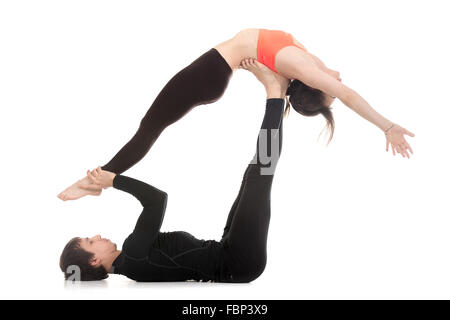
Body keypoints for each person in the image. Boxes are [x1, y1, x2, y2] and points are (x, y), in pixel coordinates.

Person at [58, 28, 415, 201]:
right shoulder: (307, 61)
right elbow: (335, 83)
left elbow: (349, 95)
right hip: (213, 73)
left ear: (316, 86)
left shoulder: (305, 69)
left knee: (148, 129)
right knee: (149, 128)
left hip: (210, 72)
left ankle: (99, 180)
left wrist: (387, 126)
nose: (338, 83)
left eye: (330, 92)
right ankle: (103, 177)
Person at [59, 60, 288, 282]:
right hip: (237, 261)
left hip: (231, 254)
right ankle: (274, 92)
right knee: (260, 170)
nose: (96, 236)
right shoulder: (133, 253)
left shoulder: (132, 264)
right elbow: (156, 200)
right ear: (94, 261)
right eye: (90, 241)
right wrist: (114, 181)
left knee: (257, 171)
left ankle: (279, 96)